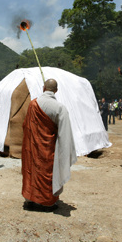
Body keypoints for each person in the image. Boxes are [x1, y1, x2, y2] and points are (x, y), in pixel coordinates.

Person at [21, 79, 77, 211]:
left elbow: (26, 127)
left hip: (33, 146)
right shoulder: (60, 108)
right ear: (56, 91)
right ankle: (46, 203)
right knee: (48, 173)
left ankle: (30, 200)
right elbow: (65, 134)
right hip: (48, 148)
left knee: (32, 170)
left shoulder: (33, 104)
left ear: (43, 88)